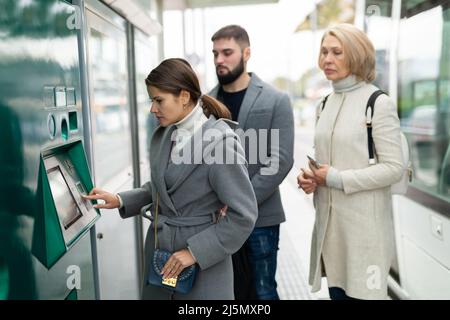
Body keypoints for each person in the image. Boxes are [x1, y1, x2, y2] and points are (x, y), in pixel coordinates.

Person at [84, 58, 258, 300]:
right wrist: (121, 200)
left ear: (184, 97)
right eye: (151, 100)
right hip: (161, 253)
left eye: (159, 100)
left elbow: (244, 215)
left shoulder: (221, 144)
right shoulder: (165, 135)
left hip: (202, 263)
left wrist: (194, 253)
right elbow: (162, 189)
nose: (153, 109)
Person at [297, 23, 404, 300]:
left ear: (356, 55)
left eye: (337, 52)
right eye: (324, 52)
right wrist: (311, 178)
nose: (327, 60)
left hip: (364, 236)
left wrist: (335, 178)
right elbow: (325, 162)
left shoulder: (378, 103)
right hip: (330, 236)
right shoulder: (324, 105)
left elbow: (394, 168)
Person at [209, 25, 294, 300]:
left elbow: (280, 161)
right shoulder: (205, 103)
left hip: (261, 219)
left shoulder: (276, 99)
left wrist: (238, 201)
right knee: (224, 293)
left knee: (262, 292)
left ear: (246, 53)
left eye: (227, 52)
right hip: (215, 220)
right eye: (215, 54)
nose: (220, 60)